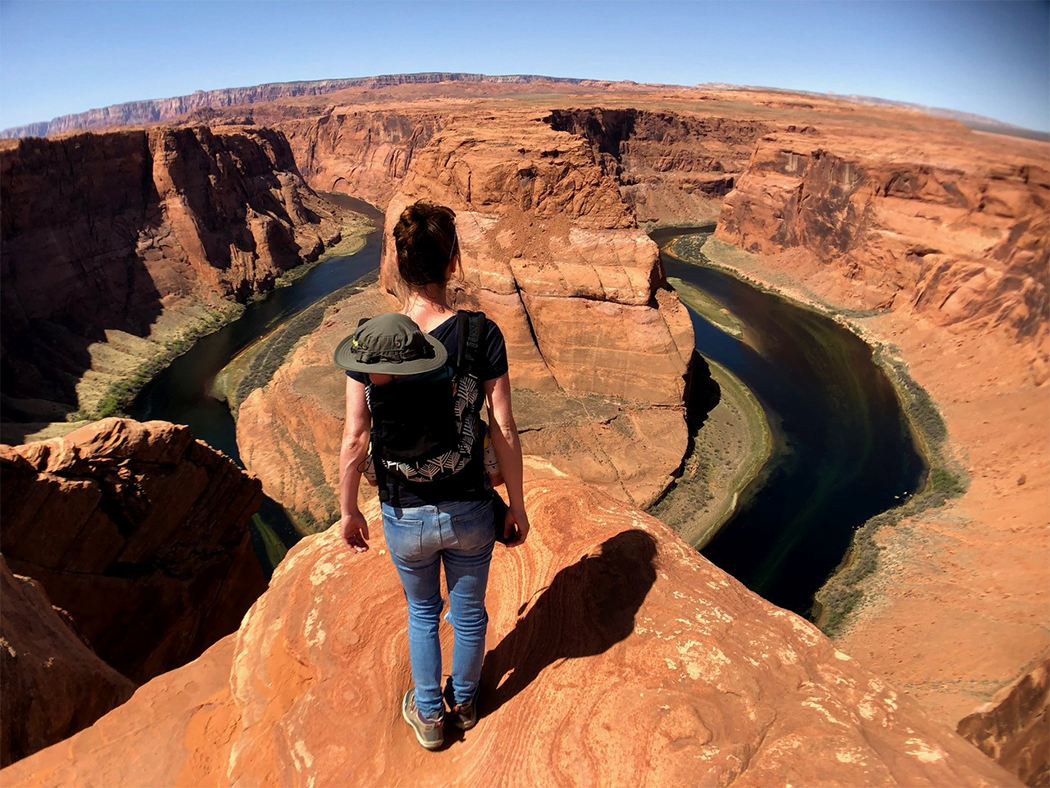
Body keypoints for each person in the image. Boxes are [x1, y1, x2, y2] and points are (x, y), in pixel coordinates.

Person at [336, 200, 530, 751]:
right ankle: (464, 703)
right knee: (469, 615)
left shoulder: (369, 340)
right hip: (470, 507)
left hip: (403, 510)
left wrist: (349, 510)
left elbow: (355, 436)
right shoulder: (480, 334)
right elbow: (505, 428)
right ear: (453, 262)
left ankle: (428, 717)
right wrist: (516, 505)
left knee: (422, 612)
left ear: (398, 265)